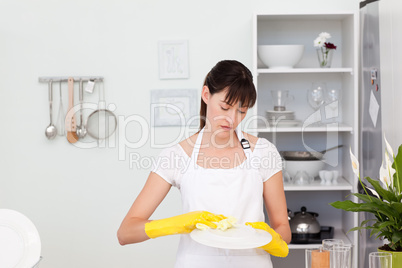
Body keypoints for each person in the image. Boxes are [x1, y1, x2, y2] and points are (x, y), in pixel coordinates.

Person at [117, 60, 291, 268]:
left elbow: (283, 228)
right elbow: (126, 232)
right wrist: (175, 224)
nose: (232, 119)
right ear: (206, 95)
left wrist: (272, 240)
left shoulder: (263, 152)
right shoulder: (176, 156)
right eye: (225, 107)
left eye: (241, 111)